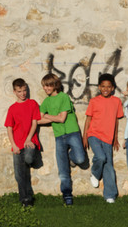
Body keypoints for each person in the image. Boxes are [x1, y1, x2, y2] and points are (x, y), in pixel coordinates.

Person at [38, 73, 88, 206]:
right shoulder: (46, 101)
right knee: (63, 170)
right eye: (44, 86)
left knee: (81, 159)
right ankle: (67, 195)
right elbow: (38, 119)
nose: (46, 88)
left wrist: (47, 116)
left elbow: (61, 118)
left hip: (72, 132)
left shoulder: (64, 97)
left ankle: (71, 158)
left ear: (55, 85)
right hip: (59, 136)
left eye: (48, 85)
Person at [82, 73, 123, 204]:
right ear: (99, 87)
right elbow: (88, 119)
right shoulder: (94, 101)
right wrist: (85, 136)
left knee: (109, 166)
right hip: (94, 135)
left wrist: (115, 138)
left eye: (109, 86)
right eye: (103, 86)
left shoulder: (116, 101)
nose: (106, 89)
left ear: (112, 88)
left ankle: (110, 195)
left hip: (108, 138)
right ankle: (95, 173)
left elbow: (116, 121)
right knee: (100, 157)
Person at [4, 78, 42, 207]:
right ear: (15, 91)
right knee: (20, 175)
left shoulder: (33, 104)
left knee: (29, 159)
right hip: (17, 145)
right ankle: (25, 199)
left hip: (31, 141)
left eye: (25, 90)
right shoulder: (12, 109)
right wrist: (13, 145)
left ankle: (35, 159)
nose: (23, 93)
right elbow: (9, 128)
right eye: (20, 91)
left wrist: (28, 138)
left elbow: (34, 122)